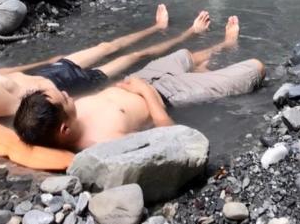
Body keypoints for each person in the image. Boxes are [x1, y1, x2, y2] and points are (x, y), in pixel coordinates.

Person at [14, 16, 265, 150]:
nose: (67, 94)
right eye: (65, 100)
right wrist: (145, 92)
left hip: (142, 78)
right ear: (64, 130)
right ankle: (205, 71)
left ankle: (224, 46)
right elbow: (170, 134)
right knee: (256, 67)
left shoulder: (57, 119)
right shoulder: (104, 141)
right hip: (167, 95)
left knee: (187, 55)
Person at [0, 4, 212, 118]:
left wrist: (47, 62)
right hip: (66, 84)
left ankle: (157, 28)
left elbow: (2, 74)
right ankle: (191, 33)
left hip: (48, 72)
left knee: (105, 45)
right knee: (132, 57)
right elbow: (32, 113)